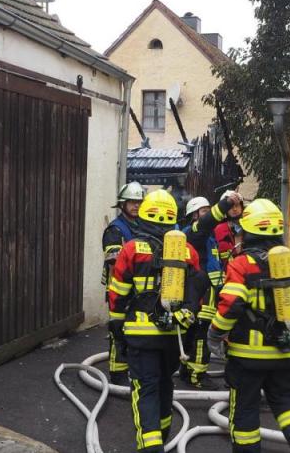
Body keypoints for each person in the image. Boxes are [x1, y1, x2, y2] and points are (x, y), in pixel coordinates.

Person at [207, 198, 290, 453]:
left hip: (249, 357)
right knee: (286, 405)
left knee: (246, 412)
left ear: (248, 231)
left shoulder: (242, 264)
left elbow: (232, 304)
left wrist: (215, 334)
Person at [107, 189, 206, 452]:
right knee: (165, 384)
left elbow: (117, 292)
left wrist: (116, 327)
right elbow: (198, 292)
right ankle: (162, 437)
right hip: (174, 336)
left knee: (146, 389)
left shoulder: (132, 250)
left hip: (141, 336)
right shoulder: (187, 252)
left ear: (143, 216)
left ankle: (150, 446)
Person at [180, 192, 242, 389]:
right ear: (195, 215)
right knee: (201, 334)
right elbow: (208, 222)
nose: (208, 215)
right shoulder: (194, 232)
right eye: (204, 211)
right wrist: (225, 204)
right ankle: (196, 376)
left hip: (209, 292)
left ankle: (187, 371)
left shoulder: (207, 238)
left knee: (196, 332)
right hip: (199, 294)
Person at [101, 181, 145, 386]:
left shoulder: (142, 226)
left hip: (138, 290)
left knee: (135, 332)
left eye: (139, 202)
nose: (136, 206)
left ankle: (132, 368)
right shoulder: (115, 230)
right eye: (132, 202)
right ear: (122, 204)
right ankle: (117, 373)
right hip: (119, 290)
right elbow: (114, 262)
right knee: (118, 331)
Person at [214, 195, 245, 270]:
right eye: (231, 207)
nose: (234, 209)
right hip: (226, 271)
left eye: (237, 206)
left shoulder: (249, 227)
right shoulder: (219, 229)